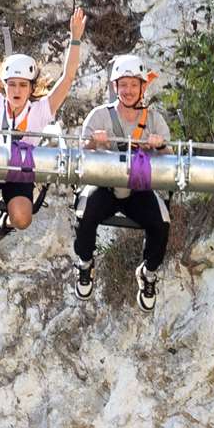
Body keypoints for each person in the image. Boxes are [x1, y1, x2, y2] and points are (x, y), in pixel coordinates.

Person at [0, 0, 86, 242]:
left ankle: (5, 222)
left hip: (20, 169)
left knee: (22, 218)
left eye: (23, 85)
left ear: (31, 88)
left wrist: (75, 40)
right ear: (4, 85)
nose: (17, 90)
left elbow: (67, 78)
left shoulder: (40, 110)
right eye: (12, 84)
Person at [74, 54, 170, 311]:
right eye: (123, 84)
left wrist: (159, 146)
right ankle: (85, 262)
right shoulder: (99, 116)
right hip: (105, 185)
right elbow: (82, 152)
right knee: (85, 213)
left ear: (142, 87)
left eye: (133, 85)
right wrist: (94, 142)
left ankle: (148, 272)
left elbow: (169, 158)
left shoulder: (153, 120)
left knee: (161, 223)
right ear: (115, 87)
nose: (128, 90)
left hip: (138, 188)